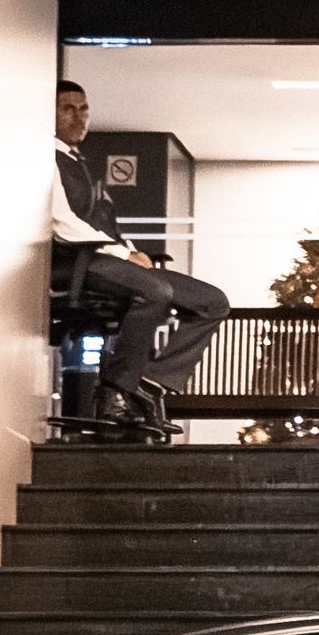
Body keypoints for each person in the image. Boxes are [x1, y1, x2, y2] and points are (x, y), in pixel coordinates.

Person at [50, 81, 228, 433]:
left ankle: (150, 381)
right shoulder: (45, 158)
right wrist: (121, 253)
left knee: (213, 302)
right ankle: (115, 391)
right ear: (49, 113)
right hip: (78, 262)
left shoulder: (79, 162)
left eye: (83, 109)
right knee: (155, 291)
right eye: (68, 109)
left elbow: (104, 221)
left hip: (110, 257)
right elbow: (61, 221)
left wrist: (131, 250)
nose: (79, 117)